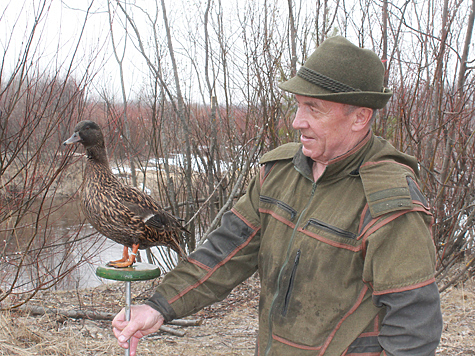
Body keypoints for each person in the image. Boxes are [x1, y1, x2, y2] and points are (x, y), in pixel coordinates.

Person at [112, 36, 443, 356]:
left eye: (314, 109)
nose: (298, 122)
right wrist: (158, 306)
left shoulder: (388, 202)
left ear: (360, 117)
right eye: (298, 106)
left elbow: (413, 325)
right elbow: (227, 250)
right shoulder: (279, 172)